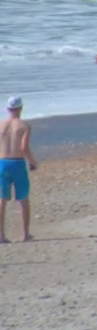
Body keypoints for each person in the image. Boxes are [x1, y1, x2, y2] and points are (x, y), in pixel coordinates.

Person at [0, 96, 35, 243]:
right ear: (21, 108)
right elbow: (23, 148)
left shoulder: (1, 125)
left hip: (2, 163)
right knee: (23, 199)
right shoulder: (24, 126)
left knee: (2, 200)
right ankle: (25, 234)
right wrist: (32, 162)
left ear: (8, 109)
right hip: (17, 163)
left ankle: (1, 236)